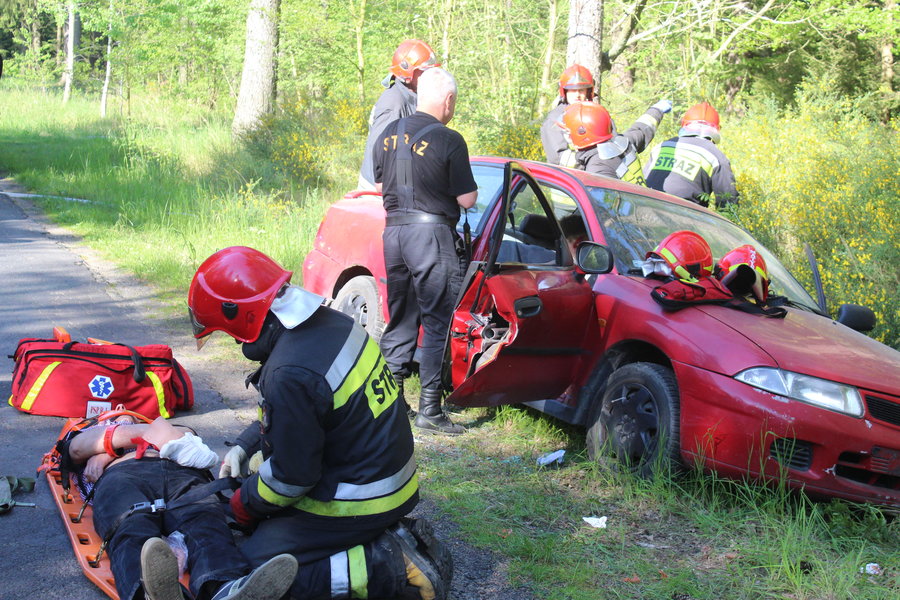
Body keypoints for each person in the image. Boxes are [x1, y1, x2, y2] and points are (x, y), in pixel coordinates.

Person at [188, 246, 452, 600]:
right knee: (260, 528)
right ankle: (372, 543)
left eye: (227, 331)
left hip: (359, 500)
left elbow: (291, 479)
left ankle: (388, 566)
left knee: (252, 569)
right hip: (385, 480)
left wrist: (242, 505)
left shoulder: (289, 371)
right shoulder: (332, 324)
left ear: (240, 316)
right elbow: (305, 415)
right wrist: (244, 445)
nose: (235, 342)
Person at [61, 408, 298, 600]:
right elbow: (77, 448)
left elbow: (187, 433)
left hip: (181, 474)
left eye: (126, 410)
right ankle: (148, 592)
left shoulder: (157, 426)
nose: (122, 409)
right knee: (132, 527)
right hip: (122, 476)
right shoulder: (90, 429)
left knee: (206, 525)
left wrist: (112, 447)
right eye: (117, 411)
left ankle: (225, 588)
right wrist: (149, 433)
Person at [371, 67, 478, 435]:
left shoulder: (388, 133)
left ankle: (391, 402)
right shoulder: (449, 139)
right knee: (436, 322)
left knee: (400, 317)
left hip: (394, 233)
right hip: (431, 236)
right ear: (448, 100)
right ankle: (430, 409)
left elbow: (381, 184)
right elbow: (468, 199)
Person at [357, 39, 439, 190]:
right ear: (407, 73)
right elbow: (383, 154)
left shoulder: (412, 96)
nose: (430, 75)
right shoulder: (394, 104)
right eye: (424, 71)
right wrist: (404, 186)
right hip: (377, 190)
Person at [644, 102, 739, 208]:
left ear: (684, 125)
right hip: (683, 214)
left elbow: (641, 182)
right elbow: (728, 202)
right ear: (716, 130)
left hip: (645, 206)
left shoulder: (661, 147)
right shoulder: (716, 157)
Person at [561, 99, 672, 184]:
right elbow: (642, 129)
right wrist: (657, 110)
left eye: (568, 132)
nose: (567, 136)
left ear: (582, 134)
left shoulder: (597, 169)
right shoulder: (624, 143)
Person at [540, 64, 595, 167]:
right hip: (567, 175)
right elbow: (559, 158)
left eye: (581, 90)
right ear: (565, 92)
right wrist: (593, 159)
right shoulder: (554, 120)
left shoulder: (597, 115)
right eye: (573, 90)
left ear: (588, 92)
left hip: (598, 172)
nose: (577, 95)